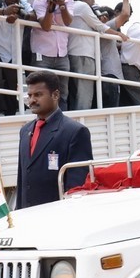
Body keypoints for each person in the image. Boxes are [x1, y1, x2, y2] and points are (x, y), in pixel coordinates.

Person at [16, 71, 94, 209]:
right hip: (27, 218)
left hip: (57, 218)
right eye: (30, 95)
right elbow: (23, 179)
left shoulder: (75, 132)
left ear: (55, 95)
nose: (32, 100)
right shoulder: (25, 131)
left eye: (38, 95)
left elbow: (77, 187)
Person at [68, 0, 129, 110]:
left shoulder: (72, 7)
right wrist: (118, 34)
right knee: (84, 95)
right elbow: (100, 26)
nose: (93, 1)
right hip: (84, 54)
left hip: (75, 53)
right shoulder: (83, 6)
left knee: (77, 93)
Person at [31, 0, 74, 109]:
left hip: (62, 54)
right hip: (42, 53)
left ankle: (61, 123)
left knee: (62, 93)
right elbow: (46, 26)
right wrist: (50, 6)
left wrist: (62, 5)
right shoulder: (40, 0)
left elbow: (68, 21)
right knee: (42, 92)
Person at [95, 0, 132, 108]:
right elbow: (125, 14)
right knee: (113, 108)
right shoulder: (106, 26)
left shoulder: (96, 30)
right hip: (111, 75)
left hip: (106, 73)